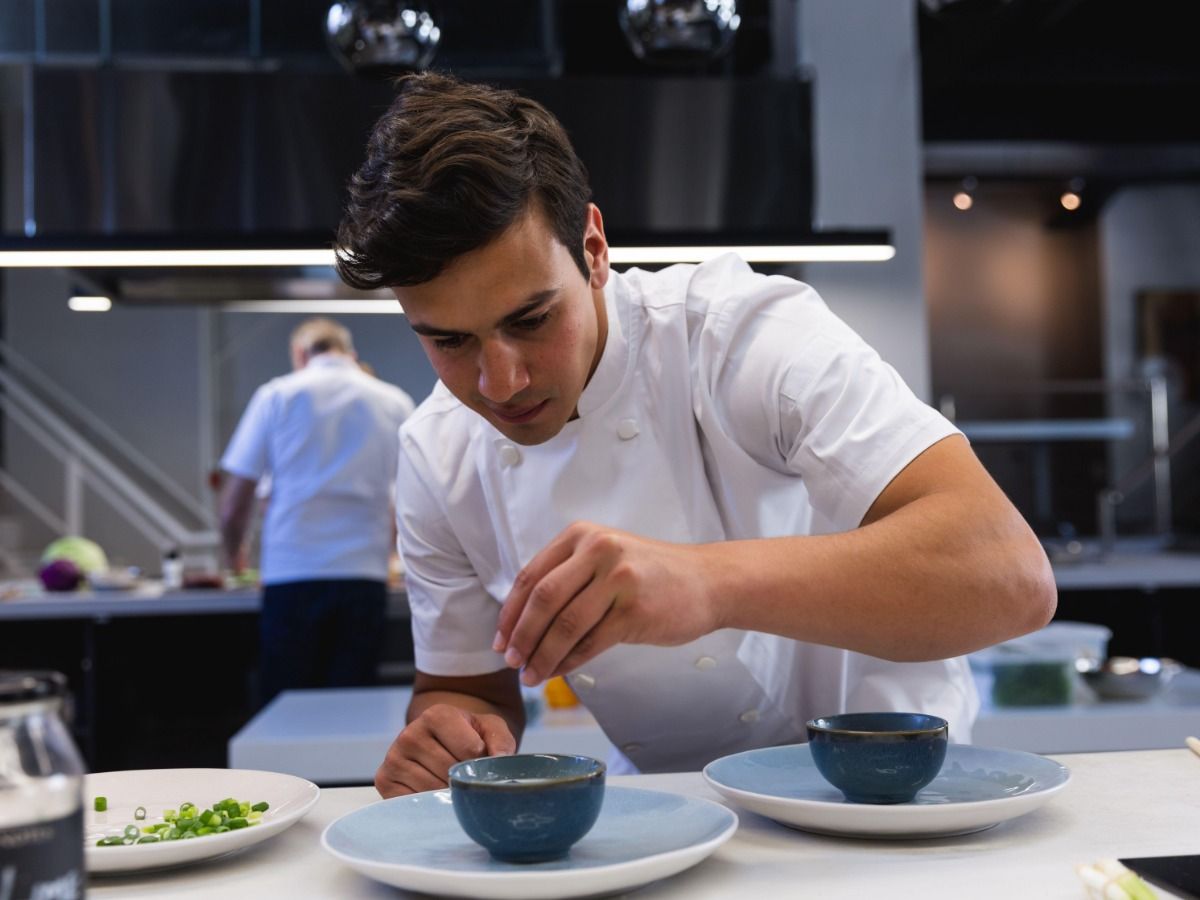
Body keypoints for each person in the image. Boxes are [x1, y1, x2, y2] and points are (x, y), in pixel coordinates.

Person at [333, 73, 1057, 796]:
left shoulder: (736, 333)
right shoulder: (437, 453)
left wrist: (706, 582)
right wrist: (446, 733)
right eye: (449, 341)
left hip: (888, 790)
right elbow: (465, 689)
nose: (500, 382)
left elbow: (1010, 577)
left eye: (530, 321)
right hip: (669, 805)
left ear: (592, 249)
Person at [219, 318, 415, 704]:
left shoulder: (277, 395)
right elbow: (414, 496)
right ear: (351, 354)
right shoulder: (393, 401)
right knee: (351, 706)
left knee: (285, 707)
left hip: (292, 574)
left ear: (300, 354)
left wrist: (234, 558)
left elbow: (235, 499)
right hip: (364, 576)